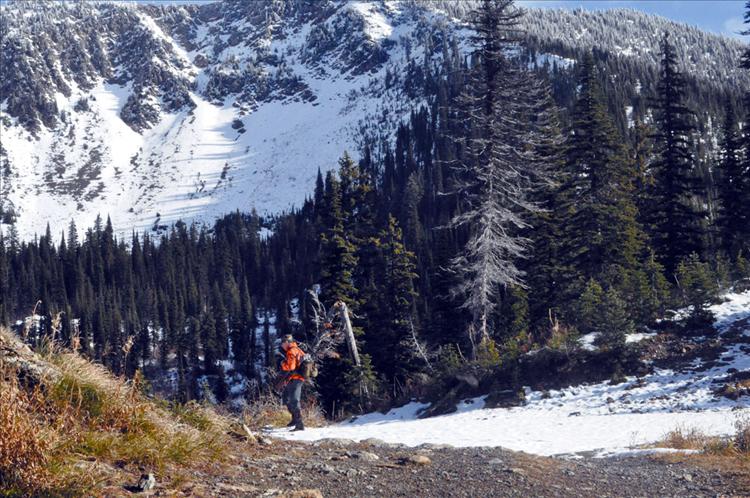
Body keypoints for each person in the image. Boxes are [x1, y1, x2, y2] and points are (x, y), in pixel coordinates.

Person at [279, 334, 306, 431]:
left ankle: (299, 424)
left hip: (296, 378)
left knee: (294, 400)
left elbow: (291, 367)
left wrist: (283, 364)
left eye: (282, 343)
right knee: (286, 398)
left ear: (286, 342)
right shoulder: (298, 349)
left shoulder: (291, 351)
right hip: (296, 378)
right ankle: (295, 419)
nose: (281, 345)